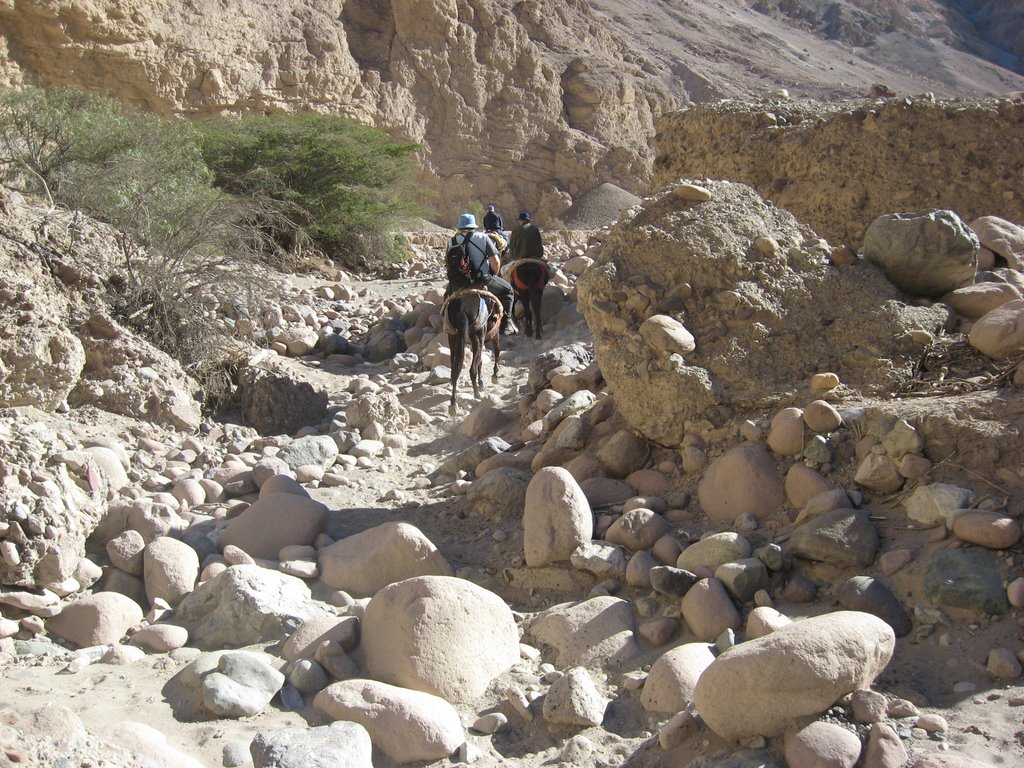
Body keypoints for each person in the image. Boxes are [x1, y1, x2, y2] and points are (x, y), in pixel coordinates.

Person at [449, 212, 517, 335]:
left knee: (447, 298)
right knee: (509, 291)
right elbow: (495, 261)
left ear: (460, 227)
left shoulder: (452, 241)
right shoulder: (483, 237)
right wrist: (494, 274)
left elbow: (448, 265)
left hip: (459, 284)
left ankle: (447, 323)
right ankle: (506, 325)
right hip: (483, 280)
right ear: (474, 226)